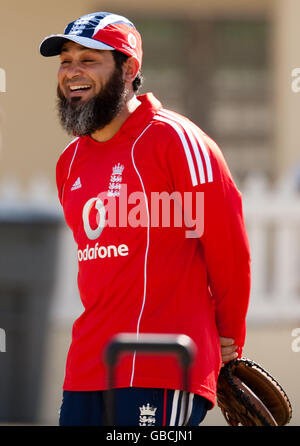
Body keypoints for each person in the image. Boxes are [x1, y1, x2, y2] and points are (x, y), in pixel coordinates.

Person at [40, 12, 251, 426]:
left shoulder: (176, 140)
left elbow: (229, 247)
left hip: (164, 363)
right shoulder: (70, 163)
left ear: (129, 68)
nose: (72, 72)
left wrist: (229, 343)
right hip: (87, 367)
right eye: (66, 61)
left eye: (89, 60)